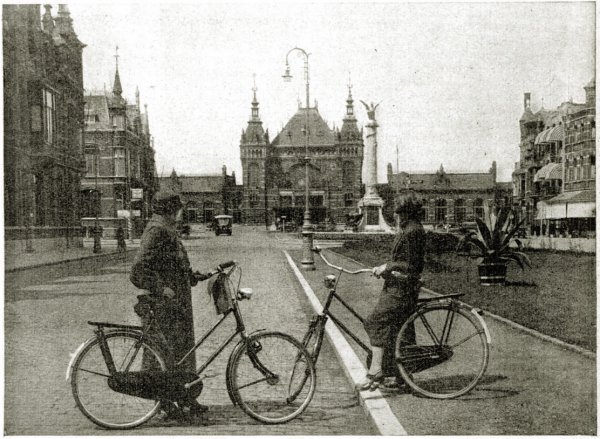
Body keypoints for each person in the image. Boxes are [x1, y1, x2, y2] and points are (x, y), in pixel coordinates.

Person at [129, 189, 207, 419]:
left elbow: (173, 263)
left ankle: (185, 397)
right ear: (171, 210)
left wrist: (193, 276)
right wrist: (162, 288)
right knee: (164, 355)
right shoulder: (157, 230)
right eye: (178, 208)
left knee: (182, 352)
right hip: (163, 306)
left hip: (177, 305)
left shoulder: (166, 228)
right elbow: (137, 271)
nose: (180, 212)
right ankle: (165, 402)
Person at [358, 194, 426, 391]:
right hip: (397, 286)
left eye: (399, 212)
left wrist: (387, 266)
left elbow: (411, 264)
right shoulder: (409, 229)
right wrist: (386, 268)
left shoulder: (412, 231)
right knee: (398, 331)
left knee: (375, 322)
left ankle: (375, 371)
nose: (396, 216)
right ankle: (401, 376)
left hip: (401, 290)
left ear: (406, 213)